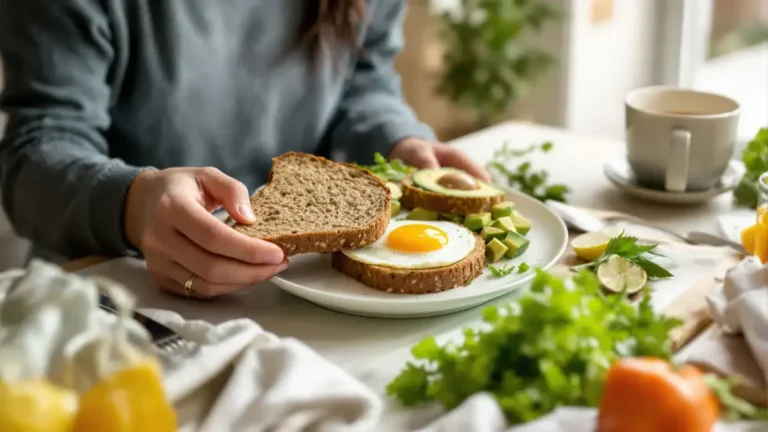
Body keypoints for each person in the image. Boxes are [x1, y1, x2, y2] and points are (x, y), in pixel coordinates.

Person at [0, 0, 490, 298]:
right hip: (110, 296)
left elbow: (363, 80)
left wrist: (397, 139)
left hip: (303, 294)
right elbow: (34, 155)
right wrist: (137, 204)